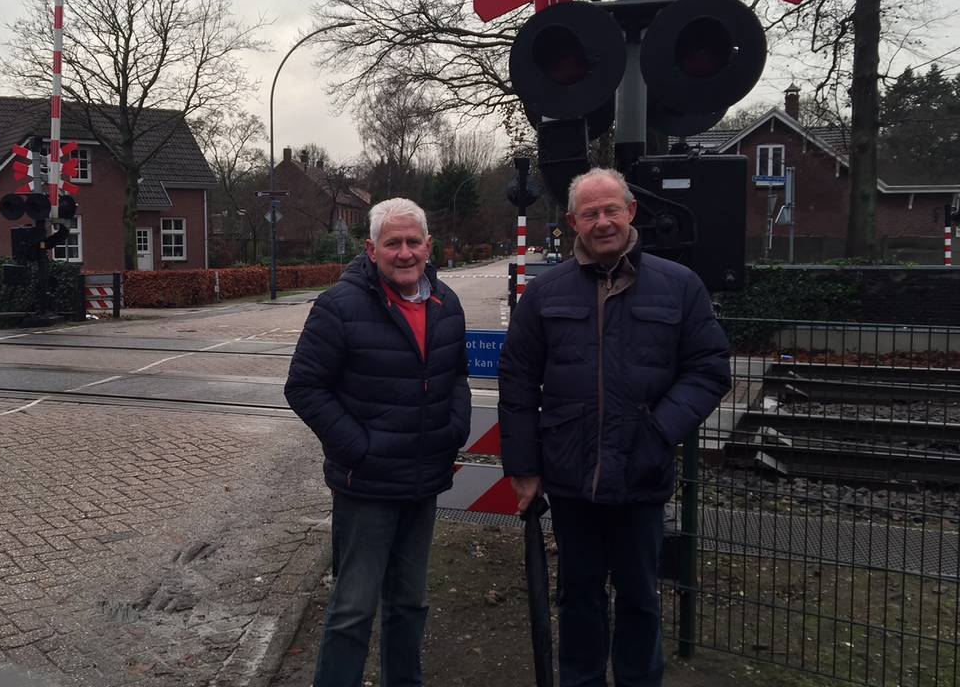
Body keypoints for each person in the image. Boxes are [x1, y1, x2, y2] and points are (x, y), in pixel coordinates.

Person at [498, 167, 730, 687]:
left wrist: (658, 430)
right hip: (570, 476)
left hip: (640, 473)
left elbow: (709, 369)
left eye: (611, 210)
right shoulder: (545, 293)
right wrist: (524, 468)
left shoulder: (679, 287)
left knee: (640, 598)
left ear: (631, 212)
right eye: (590, 213)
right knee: (578, 595)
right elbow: (517, 381)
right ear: (572, 222)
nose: (602, 222)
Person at [285, 197, 471, 687]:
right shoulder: (339, 307)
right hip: (366, 486)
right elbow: (304, 387)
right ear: (371, 250)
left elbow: (456, 376)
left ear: (429, 246)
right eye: (393, 243)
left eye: (413, 242)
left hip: (423, 480)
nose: (404, 253)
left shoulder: (447, 305)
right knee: (353, 609)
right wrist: (360, 448)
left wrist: (455, 428)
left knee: (410, 603)